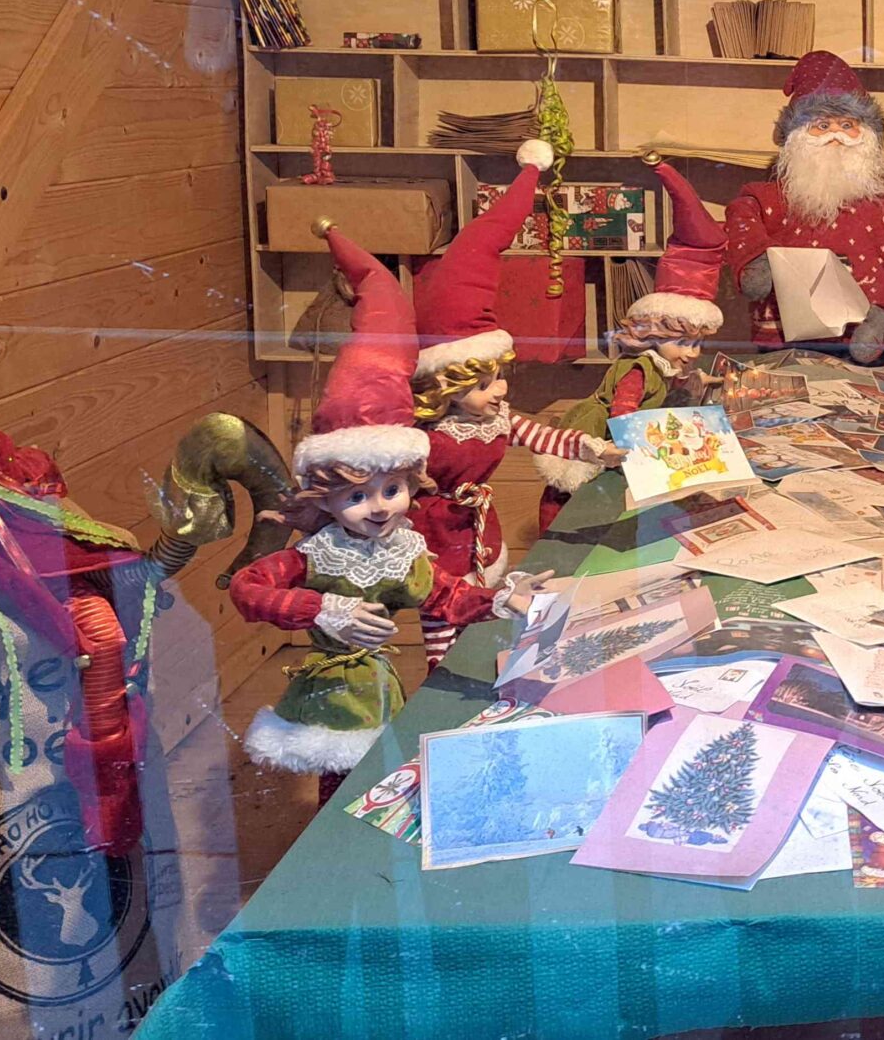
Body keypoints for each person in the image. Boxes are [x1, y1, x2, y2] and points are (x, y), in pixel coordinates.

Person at [230, 224, 531, 797]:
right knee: (338, 781)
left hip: (383, 690)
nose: (377, 508)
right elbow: (249, 590)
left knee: (379, 777)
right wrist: (323, 609)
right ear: (326, 496)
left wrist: (502, 599)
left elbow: (444, 596)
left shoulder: (401, 551)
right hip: (333, 699)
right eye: (355, 496)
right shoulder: (318, 554)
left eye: (392, 490)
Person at [407, 140, 622, 668]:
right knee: (442, 619)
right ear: (447, 388)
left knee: (482, 613)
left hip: (480, 532)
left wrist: (595, 450)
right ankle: (442, 681)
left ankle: (479, 672)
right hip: (432, 540)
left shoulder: (495, 418)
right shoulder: (425, 436)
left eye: (500, 377)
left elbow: (540, 435)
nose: (500, 390)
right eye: (484, 385)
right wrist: (413, 483)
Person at [539, 160, 727, 527]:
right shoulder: (638, 370)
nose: (692, 353)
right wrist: (646, 448)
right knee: (581, 496)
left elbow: (670, 384)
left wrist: (699, 380)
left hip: (628, 436)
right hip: (603, 435)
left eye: (697, 344)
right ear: (655, 335)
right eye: (683, 342)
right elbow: (623, 413)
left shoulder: (663, 364)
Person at [725, 51, 884, 363]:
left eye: (848, 124)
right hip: (786, 338)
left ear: (869, 135)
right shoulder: (771, 197)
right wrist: (755, 259)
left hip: (867, 340)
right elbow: (741, 216)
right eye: (822, 125)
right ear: (795, 137)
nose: (836, 134)